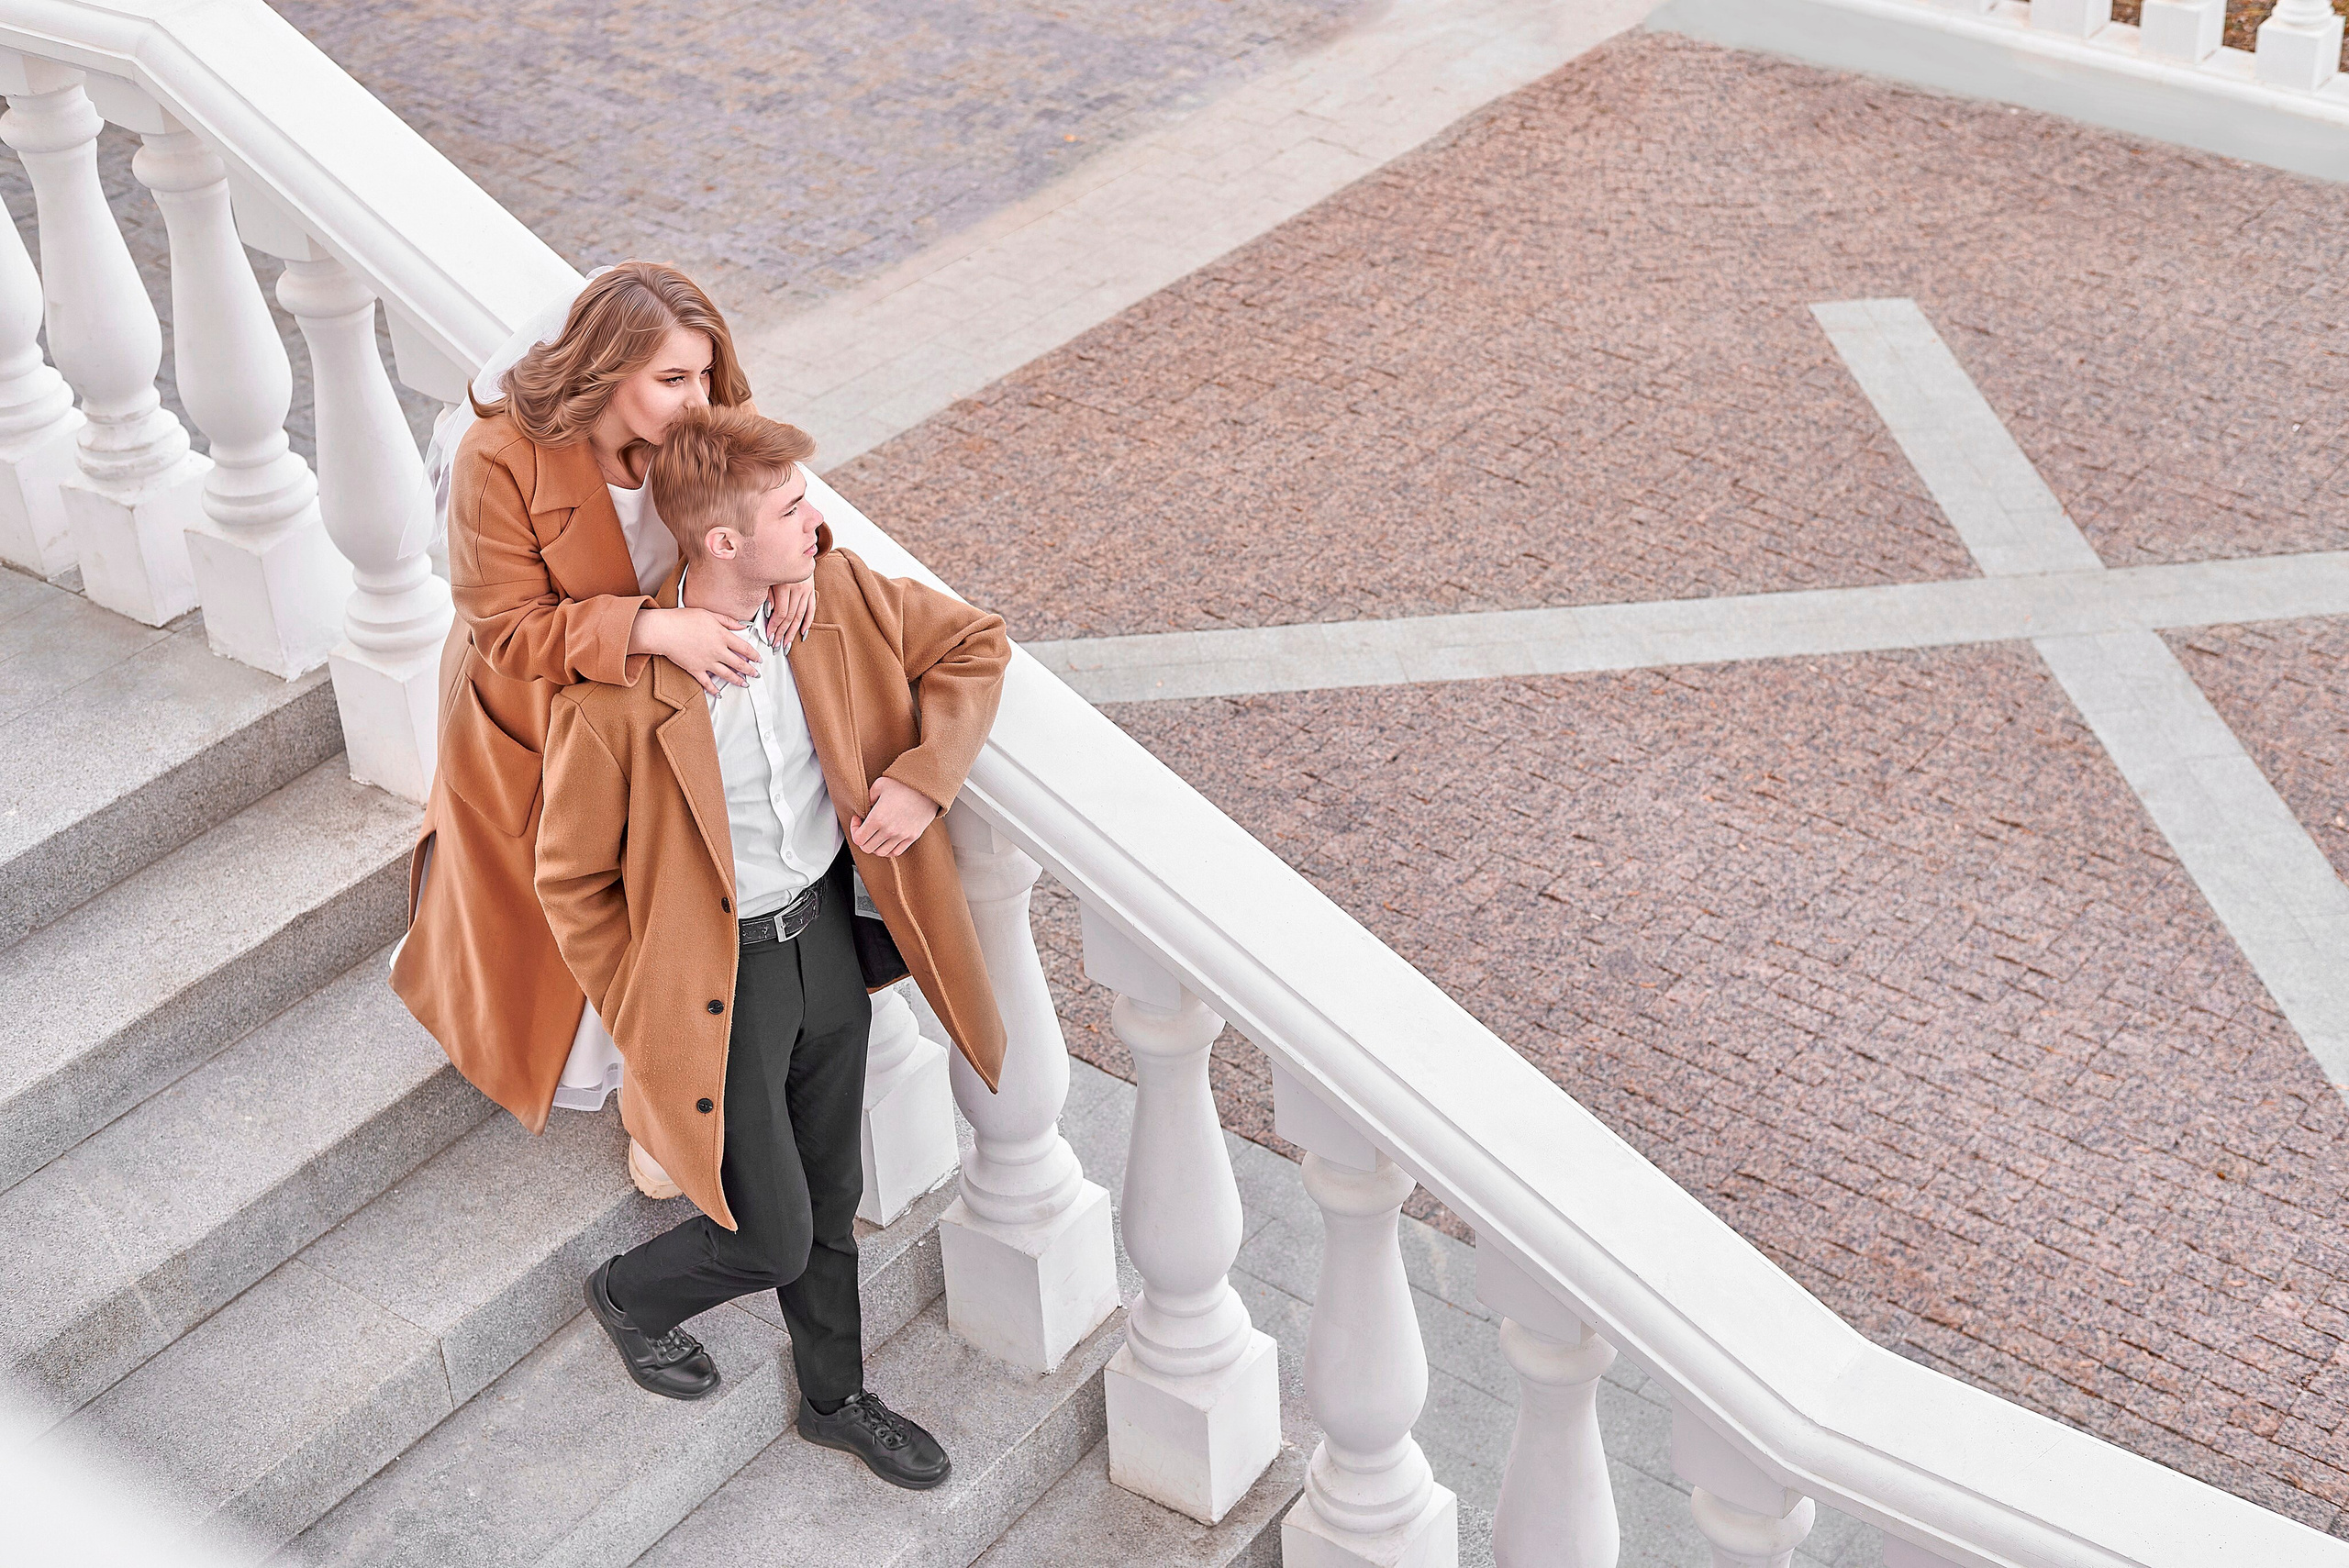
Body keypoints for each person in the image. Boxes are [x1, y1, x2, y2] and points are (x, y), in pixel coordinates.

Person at [535, 406, 1010, 1487]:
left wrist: (923, 778)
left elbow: (975, 642)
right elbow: (570, 880)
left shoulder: (828, 597)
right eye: (793, 508)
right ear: (721, 543)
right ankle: (631, 1292)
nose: (818, 520)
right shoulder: (617, 703)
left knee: (831, 1196)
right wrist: (647, 992)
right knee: (770, 1236)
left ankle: (836, 1399)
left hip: (825, 951)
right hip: (721, 983)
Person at [391, 263, 814, 1197]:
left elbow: (770, 505)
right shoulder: (499, 457)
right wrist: (649, 627)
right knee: (587, 900)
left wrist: (797, 565)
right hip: (539, 709)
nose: (698, 399)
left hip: (660, 706)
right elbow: (507, 627)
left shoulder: (702, 431)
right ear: (604, 368)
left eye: (705, 374)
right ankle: (636, 1086)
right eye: (672, 379)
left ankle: (671, 1096)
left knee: (679, 891)